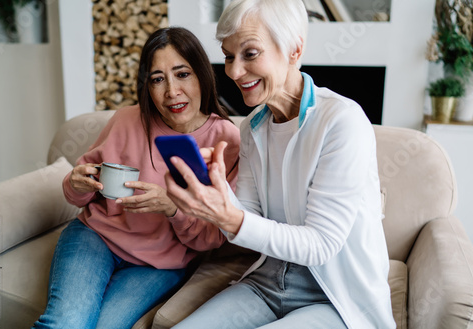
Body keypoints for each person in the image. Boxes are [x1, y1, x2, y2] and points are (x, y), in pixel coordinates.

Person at [165, 1, 396, 328]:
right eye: (229, 55)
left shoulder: (341, 122)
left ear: (294, 50)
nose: (232, 71)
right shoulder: (251, 127)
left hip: (336, 297)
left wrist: (230, 218)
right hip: (268, 282)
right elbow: (245, 219)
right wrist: (213, 191)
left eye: (250, 53)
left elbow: (321, 246)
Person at [32, 27, 240, 329]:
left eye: (182, 74)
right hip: (95, 239)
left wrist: (173, 207)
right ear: (147, 85)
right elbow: (80, 191)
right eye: (158, 79)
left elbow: (213, 236)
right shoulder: (126, 119)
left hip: (160, 265)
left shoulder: (225, 139)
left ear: (202, 75)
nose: (171, 91)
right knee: (66, 323)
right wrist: (75, 183)